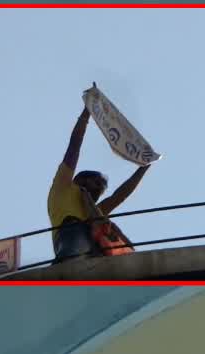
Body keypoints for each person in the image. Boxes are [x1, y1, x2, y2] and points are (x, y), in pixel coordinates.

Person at [47, 105, 152, 262]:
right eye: (96, 182)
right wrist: (86, 112)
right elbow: (74, 146)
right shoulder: (64, 187)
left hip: (92, 241)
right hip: (70, 235)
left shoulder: (94, 211)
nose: (99, 189)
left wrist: (144, 167)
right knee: (74, 261)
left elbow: (120, 195)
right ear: (80, 179)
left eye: (101, 188)